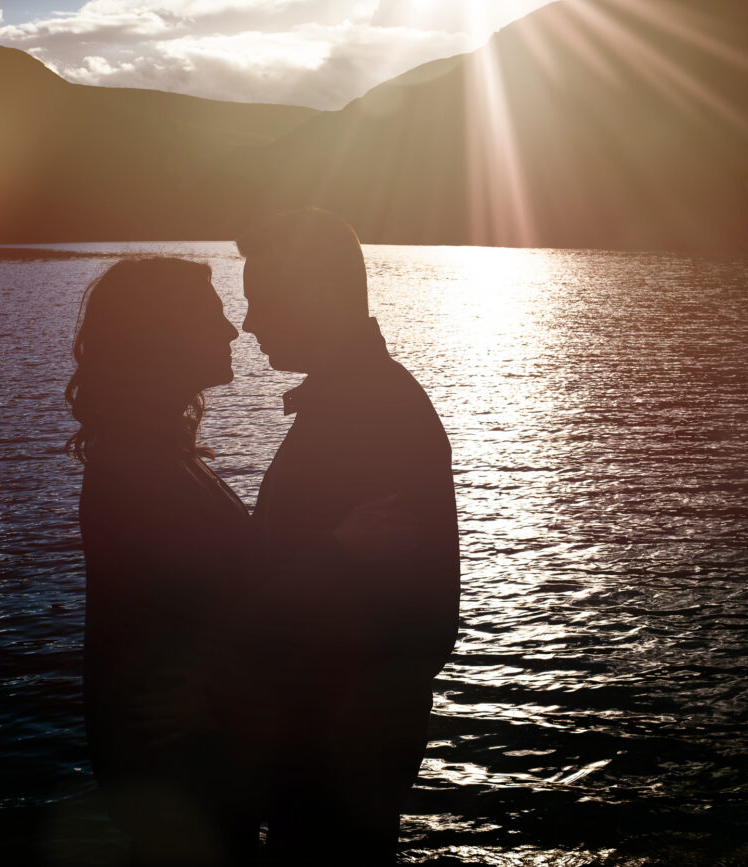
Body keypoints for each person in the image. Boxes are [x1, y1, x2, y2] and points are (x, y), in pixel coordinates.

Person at [234, 208, 461, 864]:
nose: (249, 322)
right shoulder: (358, 402)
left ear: (315, 298)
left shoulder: (373, 413)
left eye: (262, 300)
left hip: (333, 763)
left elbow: (412, 617)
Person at [66, 256, 258, 866]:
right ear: (161, 334)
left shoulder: (155, 454)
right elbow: (200, 610)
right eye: (212, 317)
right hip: (175, 759)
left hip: (181, 752)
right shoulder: (136, 468)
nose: (232, 332)